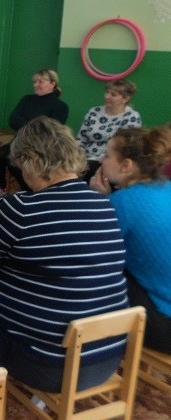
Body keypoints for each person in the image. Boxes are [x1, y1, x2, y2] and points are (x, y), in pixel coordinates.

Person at [0, 117, 128, 393]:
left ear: (30, 161)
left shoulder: (19, 208)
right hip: (106, 358)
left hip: (47, 365)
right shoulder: (106, 206)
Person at [90, 125, 171, 354]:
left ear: (126, 165)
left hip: (164, 327)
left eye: (107, 155)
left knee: (95, 274)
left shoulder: (122, 202)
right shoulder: (166, 188)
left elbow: (95, 256)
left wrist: (99, 201)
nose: (101, 160)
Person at [0, 68, 69, 198]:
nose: (36, 85)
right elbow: (12, 120)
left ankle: (31, 192)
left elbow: (48, 131)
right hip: (19, 142)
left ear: (52, 84)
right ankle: (0, 186)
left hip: (41, 147)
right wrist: (36, 125)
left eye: (40, 82)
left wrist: (25, 124)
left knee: (17, 163)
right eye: (35, 82)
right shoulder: (27, 99)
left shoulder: (61, 107)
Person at [77, 79, 141, 182]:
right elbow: (81, 138)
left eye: (113, 95)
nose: (107, 96)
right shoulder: (94, 112)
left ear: (125, 98)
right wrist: (78, 157)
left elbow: (123, 148)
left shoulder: (131, 117)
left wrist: (98, 160)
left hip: (108, 162)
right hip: (84, 160)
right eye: (107, 92)